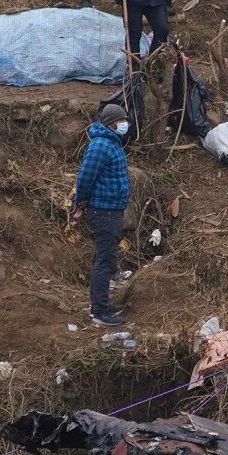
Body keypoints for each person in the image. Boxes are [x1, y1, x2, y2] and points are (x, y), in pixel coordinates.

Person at [67, 103, 133, 326]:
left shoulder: (111, 143)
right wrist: (80, 203)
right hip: (103, 210)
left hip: (111, 209)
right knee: (105, 261)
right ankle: (100, 311)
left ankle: (101, 303)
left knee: (106, 258)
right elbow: (85, 178)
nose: (126, 124)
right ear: (113, 123)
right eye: (123, 120)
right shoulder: (101, 146)